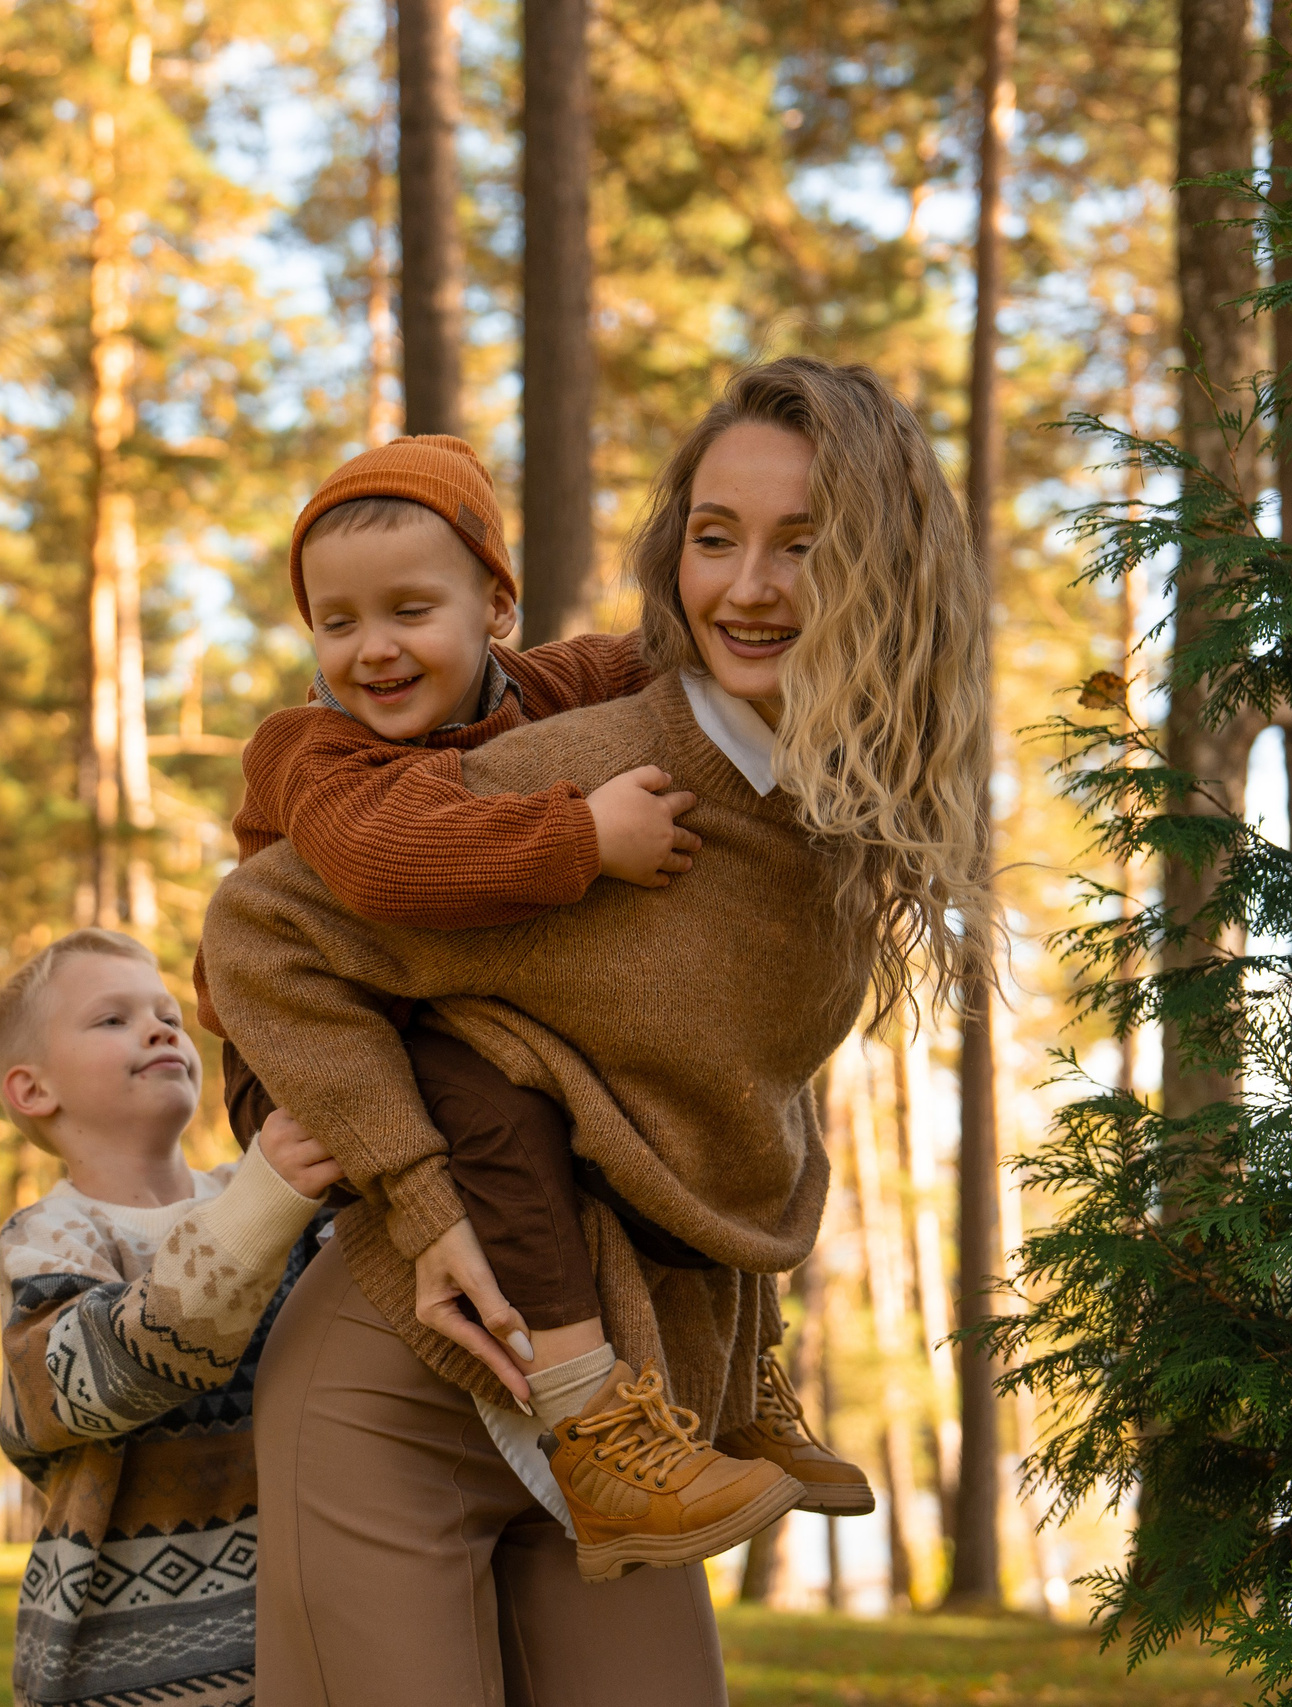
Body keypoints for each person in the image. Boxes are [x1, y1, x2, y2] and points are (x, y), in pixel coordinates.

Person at [204, 357, 994, 1703]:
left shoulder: (830, 823)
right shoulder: (590, 775)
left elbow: (695, 1118)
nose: (746, 586)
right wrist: (418, 1185)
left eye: (806, 544)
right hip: (400, 1378)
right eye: (714, 537)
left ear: (893, 565)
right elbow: (259, 925)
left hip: (626, 1416)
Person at [192, 432, 864, 1564]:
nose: (372, 652)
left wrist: (790, 626)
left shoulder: (553, 683)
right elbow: (378, 862)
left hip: (458, 1001)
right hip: (323, 1040)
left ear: (496, 607)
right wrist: (582, 836)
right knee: (501, 1120)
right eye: (337, 621)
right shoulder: (308, 750)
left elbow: (666, 666)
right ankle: (586, 1419)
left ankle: (735, 1381)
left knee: (653, 1100)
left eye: (410, 610)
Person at [0, 929, 342, 1707]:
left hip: (299, 1622)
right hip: (127, 1663)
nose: (160, 1028)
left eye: (168, 1013)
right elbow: (88, 1383)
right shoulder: (51, 1236)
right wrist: (262, 1206)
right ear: (32, 1089)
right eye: (112, 1019)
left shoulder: (260, 1193)